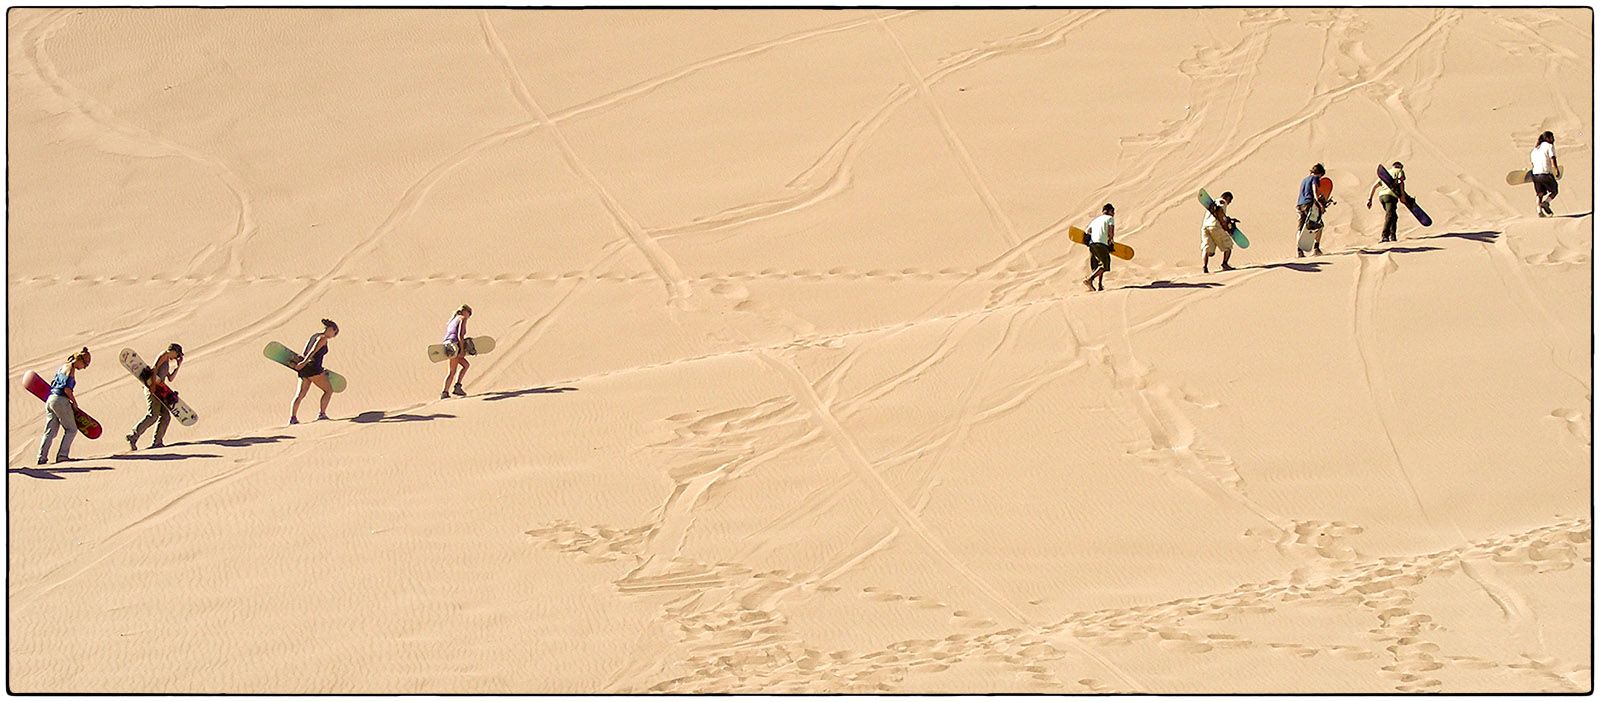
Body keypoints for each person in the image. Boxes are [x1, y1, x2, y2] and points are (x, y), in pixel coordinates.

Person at [37, 347, 90, 464]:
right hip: (61, 400)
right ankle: (62, 455)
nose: (84, 367)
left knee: (50, 432)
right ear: (79, 360)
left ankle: (41, 457)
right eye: (85, 364)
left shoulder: (63, 366)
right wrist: (74, 403)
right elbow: (67, 389)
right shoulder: (71, 369)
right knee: (71, 429)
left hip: (50, 399)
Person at [126, 343, 184, 450]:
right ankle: (133, 436)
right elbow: (154, 369)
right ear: (174, 351)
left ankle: (157, 442)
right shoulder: (164, 355)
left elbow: (170, 378)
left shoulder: (167, 361)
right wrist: (152, 386)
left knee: (165, 416)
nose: (176, 357)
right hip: (152, 389)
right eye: (177, 355)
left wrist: (178, 366)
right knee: (153, 415)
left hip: (160, 392)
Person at [290, 319, 338, 424]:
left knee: (301, 394)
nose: (333, 335)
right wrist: (304, 362)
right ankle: (322, 414)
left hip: (305, 370)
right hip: (314, 369)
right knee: (328, 390)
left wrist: (303, 363)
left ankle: (293, 418)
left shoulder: (315, 336)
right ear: (331, 329)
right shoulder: (323, 338)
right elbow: (313, 351)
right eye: (334, 333)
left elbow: (305, 351)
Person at [1366, 161, 1404, 243]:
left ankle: (1393, 236)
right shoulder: (1399, 171)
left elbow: (1374, 187)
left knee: (1394, 216)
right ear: (1400, 166)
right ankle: (1385, 236)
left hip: (1382, 197)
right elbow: (1401, 182)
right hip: (1391, 197)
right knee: (1390, 215)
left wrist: (1370, 199)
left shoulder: (1386, 174)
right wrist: (1403, 196)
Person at [440, 304, 472, 399]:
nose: (469, 316)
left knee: (465, 365)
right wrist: (462, 350)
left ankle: (454, 388)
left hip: (447, 344)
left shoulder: (452, 320)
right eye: (469, 313)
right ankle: (447, 391)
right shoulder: (462, 318)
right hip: (454, 346)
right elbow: (460, 335)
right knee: (453, 371)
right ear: (464, 311)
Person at [1082, 203, 1115, 292]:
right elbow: (1111, 230)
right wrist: (1111, 241)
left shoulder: (1095, 220)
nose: (1114, 214)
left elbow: (1088, 231)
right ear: (1110, 211)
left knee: (1098, 266)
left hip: (1092, 244)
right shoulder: (1110, 218)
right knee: (1105, 265)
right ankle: (1090, 279)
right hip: (1101, 244)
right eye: (1113, 211)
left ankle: (1099, 285)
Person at [1202, 191, 1237, 273]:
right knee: (1228, 246)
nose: (1229, 203)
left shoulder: (1212, 203)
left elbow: (1217, 212)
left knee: (1206, 249)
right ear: (1227, 198)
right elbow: (1219, 210)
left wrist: (1228, 219)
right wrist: (1226, 222)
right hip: (1215, 226)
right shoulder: (1222, 201)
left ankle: (1205, 267)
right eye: (1230, 201)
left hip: (1205, 226)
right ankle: (1225, 264)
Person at [1296, 163, 1327, 257]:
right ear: (1320, 173)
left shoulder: (1304, 180)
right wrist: (1319, 203)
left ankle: (1299, 251)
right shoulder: (1314, 178)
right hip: (1309, 204)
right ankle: (1316, 248)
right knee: (1320, 225)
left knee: (1300, 228)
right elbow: (1314, 190)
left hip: (1299, 205)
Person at [1531, 131, 1560, 217]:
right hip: (1545, 173)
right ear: (1547, 138)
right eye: (1552, 137)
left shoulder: (1534, 150)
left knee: (1539, 193)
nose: (1553, 139)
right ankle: (1546, 203)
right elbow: (1553, 158)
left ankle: (1539, 210)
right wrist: (1556, 169)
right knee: (1554, 190)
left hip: (1535, 174)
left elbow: (1533, 163)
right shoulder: (1549, 146)